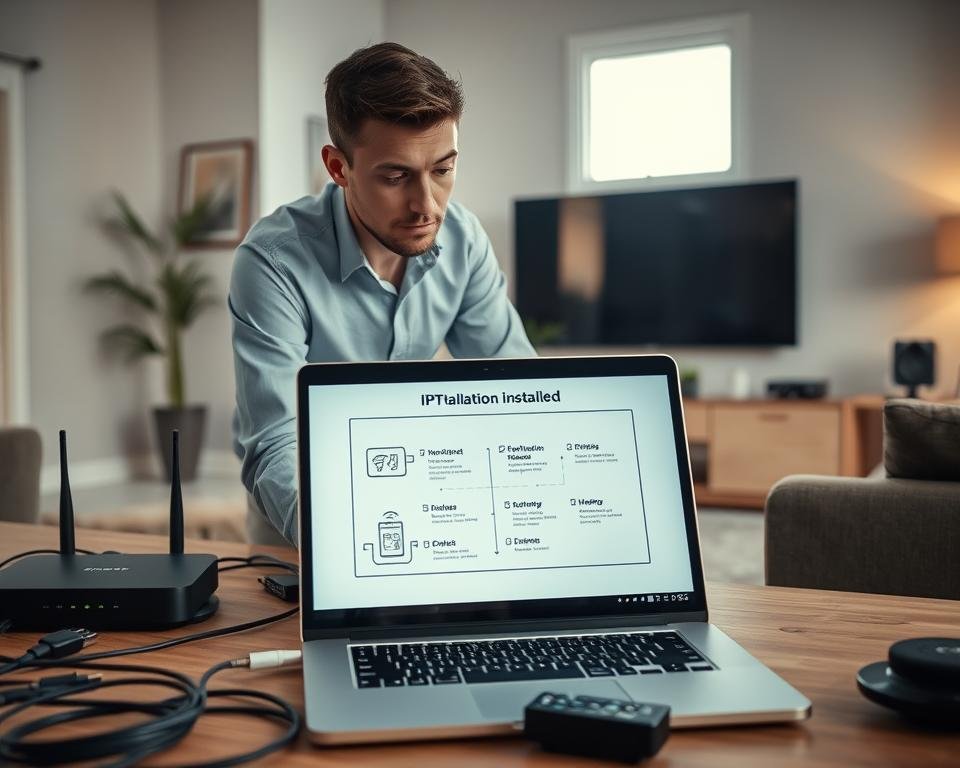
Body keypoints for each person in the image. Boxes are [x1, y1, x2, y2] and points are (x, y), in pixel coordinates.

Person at [229, 42, 534, 546]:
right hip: (304, 516)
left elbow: (515, 387)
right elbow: (277, 442)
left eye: (442, 170)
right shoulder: (272, 262)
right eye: (395, 176)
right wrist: (344, 552)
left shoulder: (463, 238)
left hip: (426, 486)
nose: (426, 206)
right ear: (338, 167)